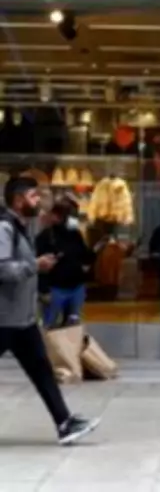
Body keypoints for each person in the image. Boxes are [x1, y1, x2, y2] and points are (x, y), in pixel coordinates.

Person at [0, 176, 100, 445]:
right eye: (33, 196)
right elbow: (2, 269)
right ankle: (65, 423)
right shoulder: (4, 228)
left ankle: (65, 423)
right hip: (4, 320)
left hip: (22, 320)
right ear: (18, 200)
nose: (38, 201)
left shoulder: (21, 227)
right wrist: (36, 265)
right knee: (41, 370)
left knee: (42, 371)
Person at [36, 194, 94, 328]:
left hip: (76, 286)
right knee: (51, 326)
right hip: (55, 288)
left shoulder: (75, 234)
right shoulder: (45, 237)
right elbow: (39, 265)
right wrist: (44, 290)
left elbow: (84, 255)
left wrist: (90, 260)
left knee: (74, 326)